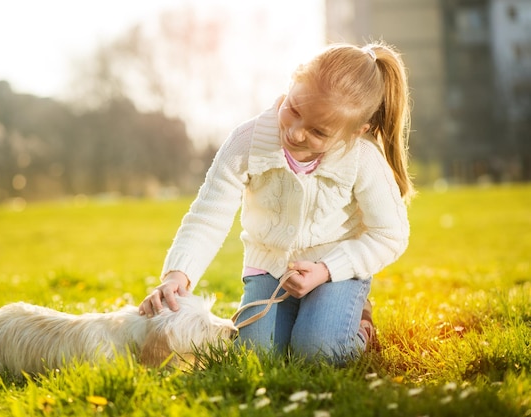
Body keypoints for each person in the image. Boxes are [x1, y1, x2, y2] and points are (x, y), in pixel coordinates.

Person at [139, 41, 414, 365]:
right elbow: (208, 216)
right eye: (294, 110)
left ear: (357, 131)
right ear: (292, 83)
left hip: (335, 271)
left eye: (318, 132)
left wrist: (326, 270)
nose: (296, 133)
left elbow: (390, 234)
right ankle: (298, 317)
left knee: (318, 355)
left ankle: (361, 328)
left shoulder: (362, 158)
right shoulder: (247, 142)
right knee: (255, 357)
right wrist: (177, 276)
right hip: (268, 268)